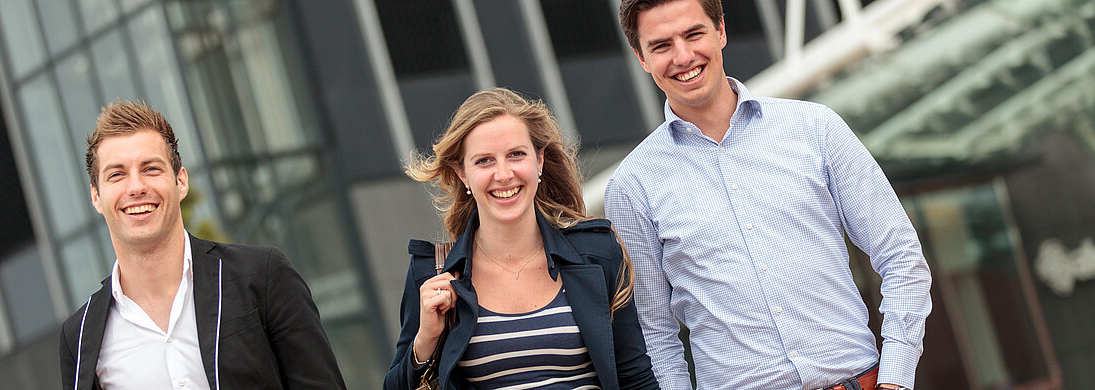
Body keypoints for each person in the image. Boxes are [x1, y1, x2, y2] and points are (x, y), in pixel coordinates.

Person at [605, 1, 933, 389]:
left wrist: (895, 379)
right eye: (661, 45)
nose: (683, 56)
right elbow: (654, 336)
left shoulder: (816, 128)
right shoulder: (632, 186)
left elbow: (901, 257)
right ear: (641, 57)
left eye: (694, 34)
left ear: (721, 30)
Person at [58, 101, 346, 389]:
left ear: (181, 181)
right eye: (117, 175)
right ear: (96, 196)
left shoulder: (262, 277)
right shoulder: (81, 337)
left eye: (151, 169)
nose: (136, 187)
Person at [384, 88, 659, 389]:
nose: (503, 174)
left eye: (516, 154)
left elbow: (636, 378)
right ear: (462, 174)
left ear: (539, 161)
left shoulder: (597, 251)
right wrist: (425, 340)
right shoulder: (434, 275)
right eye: (484, 161)